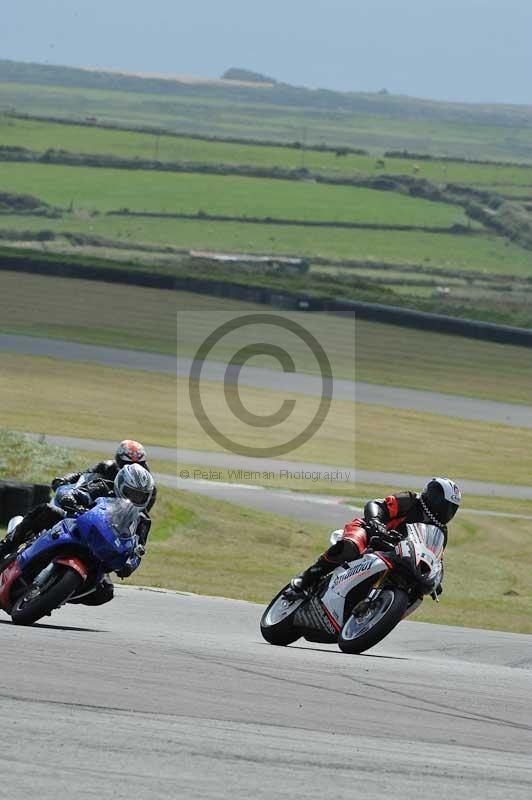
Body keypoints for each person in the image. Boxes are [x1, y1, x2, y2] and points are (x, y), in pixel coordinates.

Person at [0, 464, 155, 606]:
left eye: (139, 496)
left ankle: (56, 593)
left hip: (102, 550)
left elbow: (138, 548)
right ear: (120, 485)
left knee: (105, 592)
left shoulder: (143, 521)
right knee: (48, 511)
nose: (134, 499)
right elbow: (77, 492)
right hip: (77, 525)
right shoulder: (103, 486)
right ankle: (7, 544)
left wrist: (130, 565)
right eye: (131, 493)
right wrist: (71, 498)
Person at [288, 477, 461, 595]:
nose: (445, 510)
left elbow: (436, 558)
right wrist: (377, 522)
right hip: (372, 533)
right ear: (431, 495)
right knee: (350, 546)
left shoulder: (440, 531)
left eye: (450, 508)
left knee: (414, 588)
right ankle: (308, 577)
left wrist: (436, 579)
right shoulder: (410, 500)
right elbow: (378, 505)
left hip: (399, 555)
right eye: (442, 503)